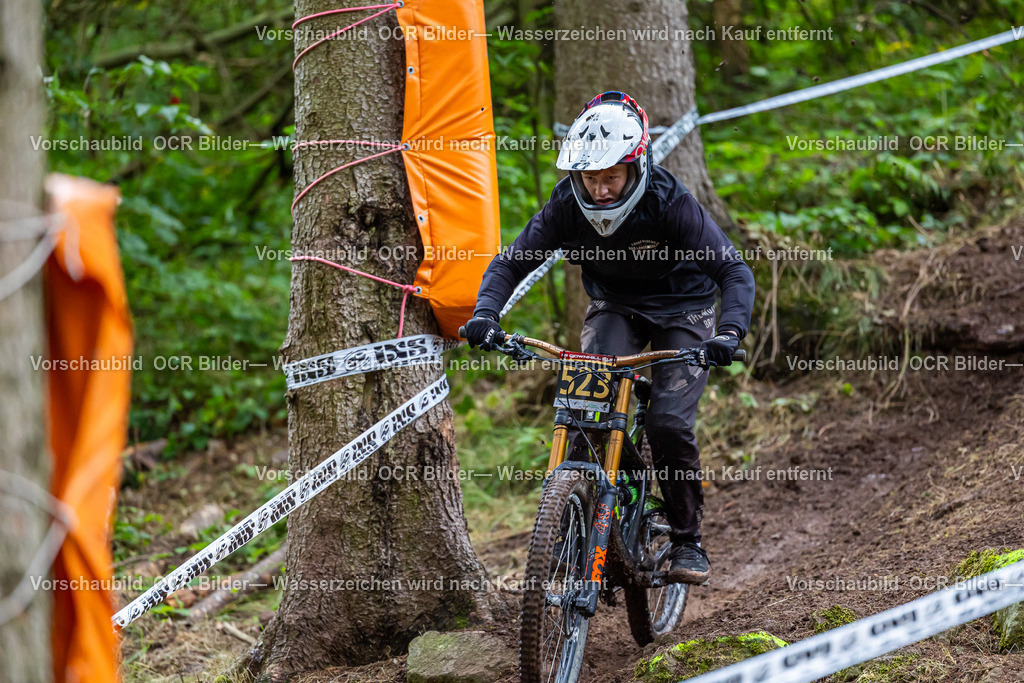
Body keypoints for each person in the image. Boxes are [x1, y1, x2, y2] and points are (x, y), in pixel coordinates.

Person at [463, 91, 755, 584]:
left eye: (611, 176)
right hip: (616, 307)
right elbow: (512, 261)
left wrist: (728, 332)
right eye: (590, 177)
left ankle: (687, 541)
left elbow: (735, 271)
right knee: (582, 409)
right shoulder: (565, 206)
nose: (599, 190)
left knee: (666, 422)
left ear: (636, 167)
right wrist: (485, 314)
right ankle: (571, 528)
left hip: (685, 307)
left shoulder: (668, 200)